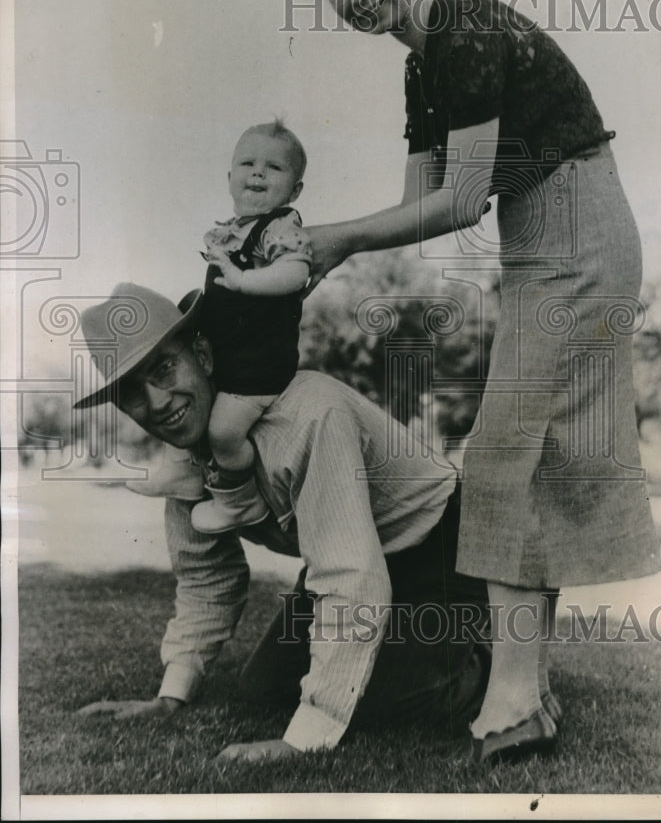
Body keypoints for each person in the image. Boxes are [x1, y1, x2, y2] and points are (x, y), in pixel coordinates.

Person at [296, 0, 661, 762]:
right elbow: (421, 201)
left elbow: (458, 202)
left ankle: (514, 701)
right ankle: (521, 697)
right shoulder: (424, 66)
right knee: (523, 460)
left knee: (505, 456)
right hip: (539, 243)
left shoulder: (464, 30)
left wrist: (338, 240)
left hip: (577, 231)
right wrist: (318, 245)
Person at [72, 283, 489, 765]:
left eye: (164, 368)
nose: (158, 401)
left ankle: (487, 658)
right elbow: (208, 575)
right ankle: (416, 648)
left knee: (384, 704)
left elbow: (349, 577)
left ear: (202, 354)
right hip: (359, 557)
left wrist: (305, 738)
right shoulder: (186, 449)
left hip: (441, 543)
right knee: (264, 692)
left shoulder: (306, 415)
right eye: (130, 392)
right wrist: (172, 695)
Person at [194, 118, 311, 534]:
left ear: (294, 190)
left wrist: (245, 280)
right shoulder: (229, 234)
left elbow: (296, 272)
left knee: (224, 431)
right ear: (230, 178)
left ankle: (241, 500)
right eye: (247, 163)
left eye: (274, 168)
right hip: (227, 355)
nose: (258, 172)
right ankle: (184, 470)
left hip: (257, 365)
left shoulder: (279, 227)